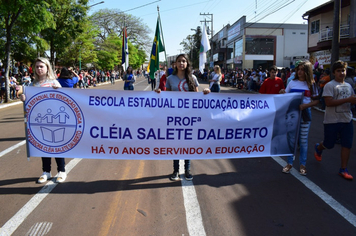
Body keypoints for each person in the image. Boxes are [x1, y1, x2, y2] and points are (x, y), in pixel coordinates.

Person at [155, 54, 210, 181]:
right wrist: (159, 93)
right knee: (175, 143)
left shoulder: (193, 78)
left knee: (187, 143)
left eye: (184, 61)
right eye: (179, 61)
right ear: (175, 64)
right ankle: (175, 170)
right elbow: (167, 97)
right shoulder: (170, 79)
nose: (181, 63)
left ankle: (187, 169)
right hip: (175, 117)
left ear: (187, 64)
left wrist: (206, 92)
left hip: (189, 117)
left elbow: (197, 97)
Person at [20, 57, 67, 184]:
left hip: (55, 120)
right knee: (44, 146)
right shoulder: (32, 85)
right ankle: (46, 171)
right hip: (39, 120)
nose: (39, 69)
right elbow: (27, 100)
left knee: (57, 145)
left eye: (42, 66)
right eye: (37, 67)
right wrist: (23, 97)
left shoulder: (54, 83)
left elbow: (64, 98)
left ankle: (61, 171)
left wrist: (59, 91)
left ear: (47, 68)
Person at [314, 60, 356, 180]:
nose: (341, 73)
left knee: (347, 145)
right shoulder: (330, 85)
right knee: (329, 144)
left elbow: (352, 99)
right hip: (332, 121)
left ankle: (343, 169)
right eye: (338, 71)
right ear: (333, 73)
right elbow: (329, 102)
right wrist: (348, 100)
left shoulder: (348, 86)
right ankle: (319, 147)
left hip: (347, 120)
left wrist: (351, 100)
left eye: (343, 70)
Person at [280, 60, 319, 175]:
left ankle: (303, 165)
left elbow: (316, 101)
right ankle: (289, 163)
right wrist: (282, 92)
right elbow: (286, 95)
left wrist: (306, 105)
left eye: (302, 69)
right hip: (292, 113)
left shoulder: (311, 84)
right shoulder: (292, 82)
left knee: (303, 141)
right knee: (291, 140)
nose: (300, 71)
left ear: (307, 71)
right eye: (298, 69)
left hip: (305, 113)